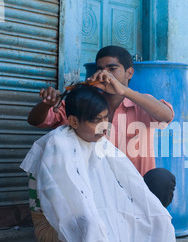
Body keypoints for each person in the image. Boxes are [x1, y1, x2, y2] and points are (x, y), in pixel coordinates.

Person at [21, 85, 188, 242]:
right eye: (96, 121)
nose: (104, 127)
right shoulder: (59, 144)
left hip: (83, 219)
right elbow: (68, 209)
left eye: (106, 120)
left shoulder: (96, 142)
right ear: (73, 121)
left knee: (156, 220)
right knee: (96, 226)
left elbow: (124, 189)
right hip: (52, 229)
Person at [28, 46, 176, 208]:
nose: (106, 75)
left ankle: (149, 226)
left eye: (113, 69)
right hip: (97, 193)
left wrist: (124, 91)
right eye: (101, 69)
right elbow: (38, 121)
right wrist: (45, 105)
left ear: (129, 73)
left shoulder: (140, 102)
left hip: (135, 193)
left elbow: (166, 115)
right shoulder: (85, 103)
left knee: (162, 178)